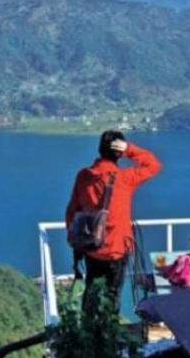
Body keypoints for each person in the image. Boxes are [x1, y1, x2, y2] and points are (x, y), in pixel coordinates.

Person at [64, 130, 161, 315]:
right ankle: (107, 336)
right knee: (112, 296)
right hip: (116, 249)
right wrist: (129, 149)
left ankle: (87, 334)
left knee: (91, 292)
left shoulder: (84, 176)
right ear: (119, 152)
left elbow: (72, 211)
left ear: (100, 149)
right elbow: (153, 165)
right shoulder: (124, 178)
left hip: (91, 246)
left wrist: (74, 237)